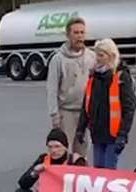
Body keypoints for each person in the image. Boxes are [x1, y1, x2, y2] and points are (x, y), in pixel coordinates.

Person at [76, 38, 136, 169]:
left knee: (110, 173)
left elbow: (129, 108)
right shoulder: (94, 77)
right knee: (98, 172)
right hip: (97, 134)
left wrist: (123, 134)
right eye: (96, 55)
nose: (97, 58)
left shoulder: (121, 77)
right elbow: (86, 105)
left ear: (111, 56)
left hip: (113, 136)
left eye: (101, 55)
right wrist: (81, 128)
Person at [10, 128, 87, 192]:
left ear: (65, 147)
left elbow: (86, 187)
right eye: (50, 147)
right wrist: (34, 173)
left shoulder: (76, 161)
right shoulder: (44, 159)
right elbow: (22, 183)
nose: (53, 150)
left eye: (57, 146)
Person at [46, 17, 95, 157]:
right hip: (65, 113)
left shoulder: (92, 57)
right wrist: (54, 114)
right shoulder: (58, 59)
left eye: (82, 32)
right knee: (64, 152)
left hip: (86, 113)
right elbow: (52, 88)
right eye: (76, 33)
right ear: (68, 35)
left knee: (82, 152)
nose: (80, 36)